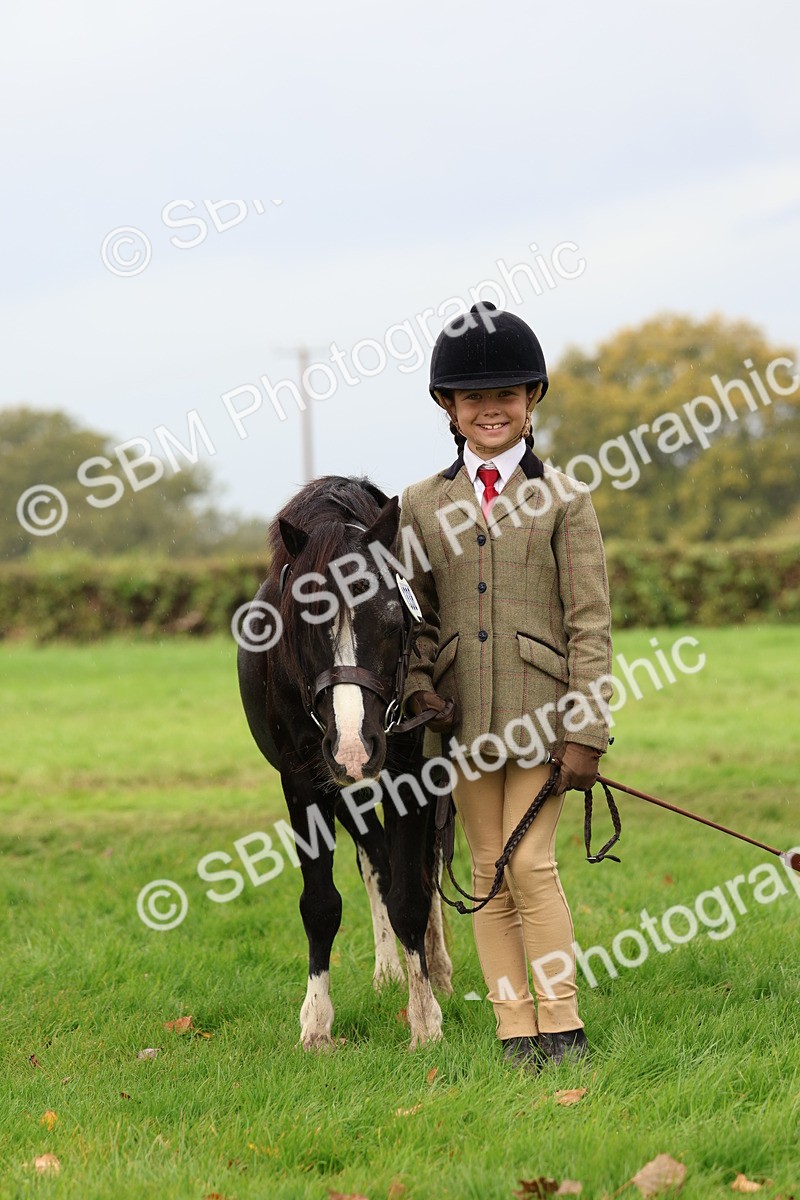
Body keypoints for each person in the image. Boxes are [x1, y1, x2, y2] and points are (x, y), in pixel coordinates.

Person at [399, 301, 613, 1072]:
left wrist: (587, 731)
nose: (491, 410)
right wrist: (422, 685)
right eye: (473, 399)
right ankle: (513, 1030)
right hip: (462, 724)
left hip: (542, 720)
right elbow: (415, 621)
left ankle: (563, 1022)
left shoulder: (566, 500)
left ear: (532, 402)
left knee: (531, 866)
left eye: (507, 396)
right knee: (486, 871)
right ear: (449, 409)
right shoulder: (419, 505)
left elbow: (590, 625)